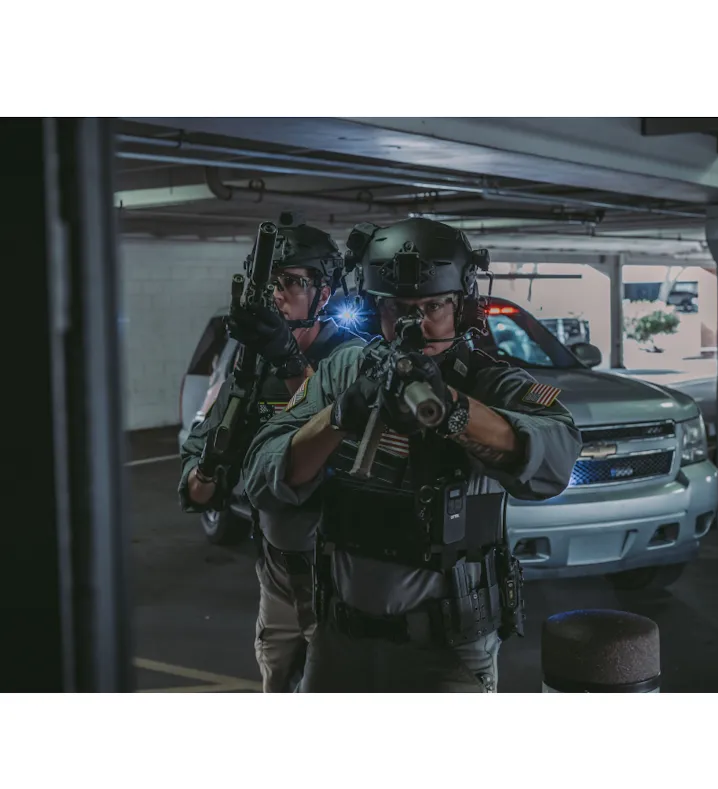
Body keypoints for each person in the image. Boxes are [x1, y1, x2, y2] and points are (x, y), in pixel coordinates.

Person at [242, 217, 582, 692]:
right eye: (399, 309)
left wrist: (455, 412)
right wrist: (341, 415)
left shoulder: (488, 380)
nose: (417, 324)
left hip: (448, 647)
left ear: (460, 306)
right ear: (374, 308)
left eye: (434, 306)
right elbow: (260, 476)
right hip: (340, 639)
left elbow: (558, 458)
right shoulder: (345, 372)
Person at [178, 219, 364, 692]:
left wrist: (287, 358)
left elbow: (344, 433)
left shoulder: (352, 358)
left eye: (292, 282)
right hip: (278, 570)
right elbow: (200, 477)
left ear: (323, 295)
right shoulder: (250, 366)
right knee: (277, 682)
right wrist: (209, 469)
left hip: (345, 574)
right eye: (270, 282)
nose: (277, 294)